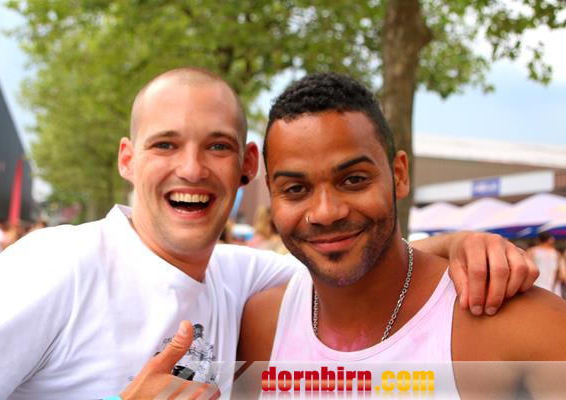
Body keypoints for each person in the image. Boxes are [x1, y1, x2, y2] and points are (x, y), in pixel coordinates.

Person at [0, 68, 536, 400]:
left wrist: (462, 244)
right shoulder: (58, 262)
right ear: (128, 159)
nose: (192, 168)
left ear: (247, 165)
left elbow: (350, 254)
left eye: (216, 145)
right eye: (165, 144)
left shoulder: (242, 276)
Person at [235, 72, 566, 397]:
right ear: (271, 194)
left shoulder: (521, 326)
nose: (325, 212)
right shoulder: (259, 325)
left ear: (399, 175)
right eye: (295, 189)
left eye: (353, 180)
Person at [527, 232, 566, 296]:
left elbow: (528, 269)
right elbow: (563, 274)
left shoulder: (532, 251)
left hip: (536, 287)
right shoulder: (556, 253)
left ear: (538, 240)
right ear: (550, 240)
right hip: (553, 289)